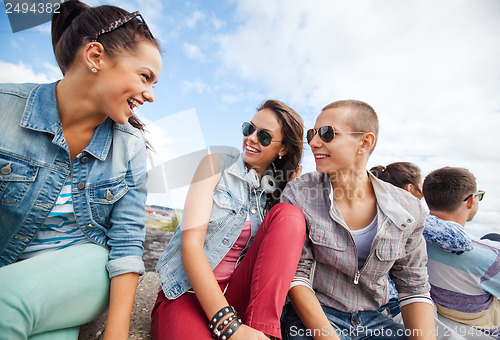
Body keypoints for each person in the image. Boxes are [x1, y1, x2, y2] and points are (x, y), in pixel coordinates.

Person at [0, 1, 161, 339]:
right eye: (145, 76)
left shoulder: (129, 147)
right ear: (95, 56)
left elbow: (127, 242)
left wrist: (115, 334)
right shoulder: (5, 108)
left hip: (85, 271)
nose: (149, 94)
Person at [280, 100, 436, 340]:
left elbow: (413, 286)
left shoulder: (408, 208)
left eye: (327, 133)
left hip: (375, 318)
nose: (313, 142)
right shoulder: (299, 193)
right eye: (313, 133)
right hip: (314, 315)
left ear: (364, 142)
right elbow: (296, 274)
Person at [152, 100, 306, 339]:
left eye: (264, 136)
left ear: (283, 149)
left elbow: (282, 251)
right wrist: (228, 325)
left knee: (291, 215)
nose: (251, 138)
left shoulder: (276, 191)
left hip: (235, 294)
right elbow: (190, 246)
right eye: (249, 129)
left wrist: (291, 191)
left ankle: (262, 332)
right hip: (188, 292)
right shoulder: (215, 164)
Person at [422, 167, 499, 339]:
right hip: (483, 329)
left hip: (441, 317)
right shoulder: (491, 257)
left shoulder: (415, 240)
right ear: (471, 201)